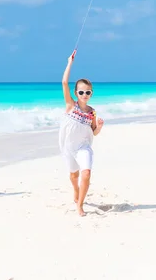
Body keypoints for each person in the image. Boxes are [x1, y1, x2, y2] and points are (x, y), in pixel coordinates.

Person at [59, 50, 104, 216]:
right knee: (73, 175)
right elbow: (64, 82)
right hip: (69, 147)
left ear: (91, 94)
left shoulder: (92, 112)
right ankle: (75, 191)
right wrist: (69, 62)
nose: (85, 95)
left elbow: (94, 132)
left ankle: (80, 205)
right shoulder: (71, 106)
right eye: (81, 92)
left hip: (83, 147)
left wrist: (98, 126)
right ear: (76, 93)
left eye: (88, 92)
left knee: (86, 173)